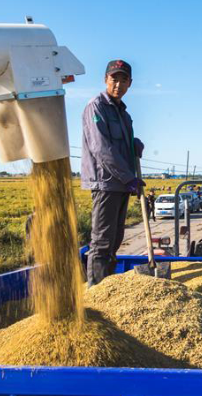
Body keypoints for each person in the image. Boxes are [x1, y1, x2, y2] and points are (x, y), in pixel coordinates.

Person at [82, 59, 145, 287]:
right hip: (105, 184)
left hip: (120, 185)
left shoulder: (124, 115)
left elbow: (120, 148)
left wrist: (133, 145)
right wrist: (129, 178)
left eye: (123, 80)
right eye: (113, 79)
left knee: (115, 240)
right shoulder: (96, 107)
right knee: (101, 242)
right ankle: (96, 291)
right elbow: (101, 148)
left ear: (130, 83)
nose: (118, 84)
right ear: (105, 80)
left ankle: (107, 287)